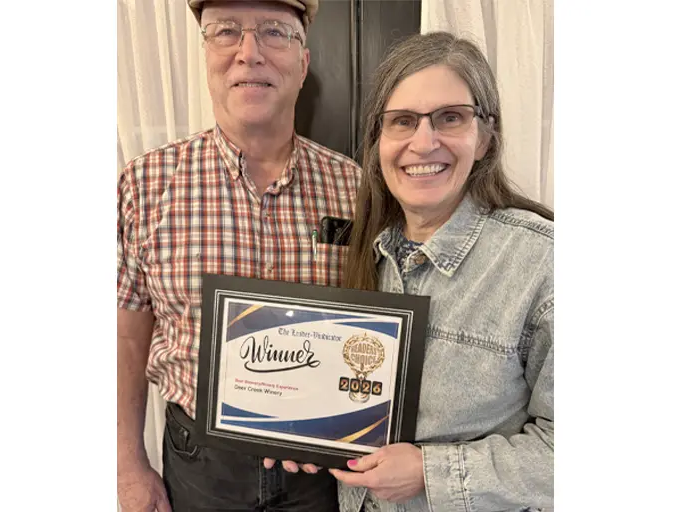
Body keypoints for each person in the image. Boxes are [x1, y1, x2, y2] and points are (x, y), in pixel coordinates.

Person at [276, 32, 554, 511]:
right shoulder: (365, 251)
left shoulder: (543, 262)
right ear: (378, 142)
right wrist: (301, 434)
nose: (424, 143)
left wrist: (430, 472)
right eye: (402, 121)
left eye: (450, 117)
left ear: (485, 137)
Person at [116, 0, 361, 510]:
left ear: (304, 62)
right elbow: (125, 337)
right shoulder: (144, 184)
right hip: (201, 463)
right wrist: (127, 465)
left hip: (323, 467)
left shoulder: (353, 186)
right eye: (226, 31)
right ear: (205, 52)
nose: (249, 53)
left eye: (274, 32)